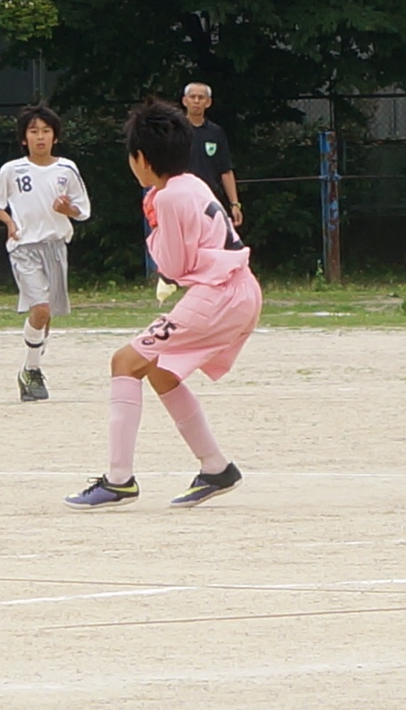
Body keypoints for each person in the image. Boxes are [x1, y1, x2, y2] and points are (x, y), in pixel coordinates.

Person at [64, 99, 261, 510]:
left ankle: (119, 480)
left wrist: (154, 225)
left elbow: (173, 267)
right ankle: (216, 467)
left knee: (125, 362)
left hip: (217, 294)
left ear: (141, 158)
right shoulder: (193, 183)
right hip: (241, 289)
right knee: (161, 372)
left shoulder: (168, 197)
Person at [0, 103, 91, 402]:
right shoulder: (12, 170)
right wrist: (9, 222)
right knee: (40, 309)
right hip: (24, 247)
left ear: (55, 136)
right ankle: (31, 371)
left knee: (47, 315)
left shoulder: (66, 169)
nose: (40, 137)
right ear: (24, 138)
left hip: (55, 246)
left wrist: (67, 209)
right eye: (33, 131)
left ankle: (31, 368)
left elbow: (82, 210)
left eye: (45, 131)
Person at [182, 82, 243, 227]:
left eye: (201, 97)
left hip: (210, 200)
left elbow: (225, 170)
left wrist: (235, 204)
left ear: (208, 102)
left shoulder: (216, 132)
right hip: (182, 199)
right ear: (184, 100)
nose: (196, 101)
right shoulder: (174, 130)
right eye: (192, 97)